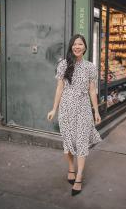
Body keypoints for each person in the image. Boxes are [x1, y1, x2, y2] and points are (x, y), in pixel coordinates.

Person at [47, 34, 102, 196]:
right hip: (66, 109)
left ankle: (79, 177)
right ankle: (71, 168)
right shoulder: (63, 64)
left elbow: (92, 90)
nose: (77, 47)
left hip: (83, 108)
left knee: (82, 141)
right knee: (69, 141)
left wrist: (96, 110)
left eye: (80, 44)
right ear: (71, 47)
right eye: (74, 44)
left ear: (85, 47)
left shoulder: (91, 67)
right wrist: (54, 109)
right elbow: (59, 88)